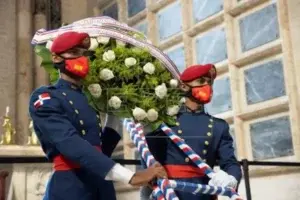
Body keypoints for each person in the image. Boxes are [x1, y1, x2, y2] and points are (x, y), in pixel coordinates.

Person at [29, 31, 167, 200]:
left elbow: (102, 148)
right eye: (74, 53)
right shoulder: (46, 97)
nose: (81, 58)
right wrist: (131, 176)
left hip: (102, 186)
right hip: (72, 186)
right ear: (57, 58)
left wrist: (116, 107)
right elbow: (68, 142)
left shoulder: (89, 98)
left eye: (84, 54)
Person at [140, 64, 242, 200]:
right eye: (201, 81)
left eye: (209, 82)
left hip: (203, 194)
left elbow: (230, 162)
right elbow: (149, 159)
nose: (207, 85)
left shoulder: (219, 126)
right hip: (171, 191)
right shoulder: (165, 122)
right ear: (183, 86)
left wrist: (231, 179)